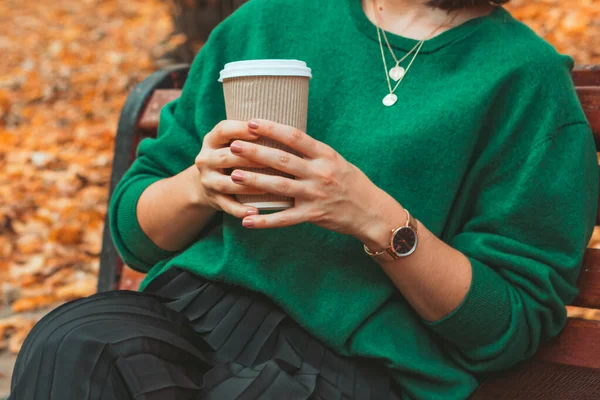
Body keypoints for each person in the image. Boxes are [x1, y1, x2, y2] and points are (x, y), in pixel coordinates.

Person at [10, 0, 598, 399]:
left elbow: (510, 325)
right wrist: (198, 184)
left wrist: (377, 219)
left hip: (361, 361)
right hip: (191, 312)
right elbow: (135, 238)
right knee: (73, 345)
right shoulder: (269, 19)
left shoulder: (525, 81)